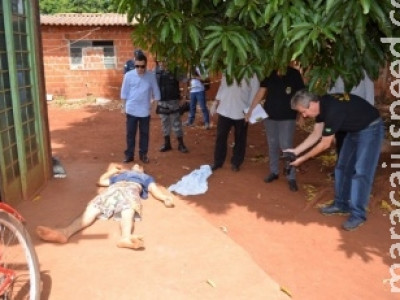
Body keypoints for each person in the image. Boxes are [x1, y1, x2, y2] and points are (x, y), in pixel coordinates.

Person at [287, 90, 384, 231]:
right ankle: (341, 204)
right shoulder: (321, 106)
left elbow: (325, 144)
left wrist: (301, 159)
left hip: (370, 129)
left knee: (361, 173)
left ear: (312, 104)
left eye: (304, 111)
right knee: (342, 167)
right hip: (354, 130)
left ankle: (358, 215)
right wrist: (295, 151)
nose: (304, 115)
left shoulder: (333, 110)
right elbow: (316, 134)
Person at [36, 163, 175, 249]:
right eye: (134, 165)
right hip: (113, 190)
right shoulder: (120, 175)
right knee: (93, 208)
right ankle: (65, 233)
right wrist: (113, 171)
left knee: (128, 210)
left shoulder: (145, 178)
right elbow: (101, 182)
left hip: (131, 190)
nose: (136, 166)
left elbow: (154, 190)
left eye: (139, 166)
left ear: (143, 171)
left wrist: (165, 198)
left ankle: (125, 237)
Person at [245, 67, 305, 191]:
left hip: (288, 117)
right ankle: (274, 172)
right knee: (272, 145)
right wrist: (251, 110)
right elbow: (261, 92)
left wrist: (301, 115)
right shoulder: (269, 72)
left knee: (286, 146)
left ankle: (291, 177)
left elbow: (301, 95)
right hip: (270, 116)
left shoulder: (294, 74)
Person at [210, 74, 259, 172]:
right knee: (221, 136)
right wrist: (215, 102)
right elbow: (222, 86)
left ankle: (236, 162)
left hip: (241, 111)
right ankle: (218, 161)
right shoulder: (229, 69)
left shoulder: (252, 74)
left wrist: (249, 111)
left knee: (240, 138)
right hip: (224, 109)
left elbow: (254, 93)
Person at [120, 52, 161, 164]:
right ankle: (129, 155)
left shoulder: (151, 76)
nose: (139, 69)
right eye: (137, 66)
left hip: (144, 112)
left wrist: (154, 108)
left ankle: (143, 155)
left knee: (144, 134)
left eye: (142, 66)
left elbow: (156, 94)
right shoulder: (128, 76)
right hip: (131, 110)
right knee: (130, 134)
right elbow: (124, 93)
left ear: (146, 65)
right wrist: (123, 107)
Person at [329, 70, 375, 158]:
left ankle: (354, 169)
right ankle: (341, 169)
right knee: (341, 142)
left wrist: (368, 117)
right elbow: (331, 93)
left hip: (358, 116)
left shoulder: (364, 72)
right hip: (341, 115)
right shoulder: (336, 71)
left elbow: (369, 95)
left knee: (357, 143)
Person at [155, 59, 188, 153]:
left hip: (173, 101)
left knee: (176, 122)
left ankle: (181, 144)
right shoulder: (157, 71)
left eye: (165, 60)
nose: (163, 62)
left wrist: (185, 97)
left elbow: (185, 81)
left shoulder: (175, 69)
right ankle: (167, 144)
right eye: (161, 60)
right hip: (162, 101)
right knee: (164, 123)